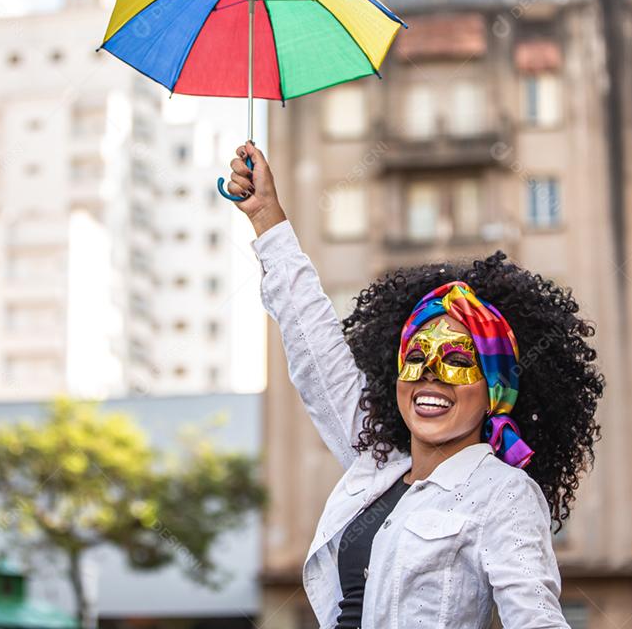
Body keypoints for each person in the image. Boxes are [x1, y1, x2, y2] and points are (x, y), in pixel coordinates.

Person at [226, 141, 604, 629]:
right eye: (417, 357)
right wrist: (266, 217)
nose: (429, 372)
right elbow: (315, 348)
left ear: (494, 391)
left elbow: (535, 620)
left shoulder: (503, 493)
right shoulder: (377, 463)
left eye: (455, 359)